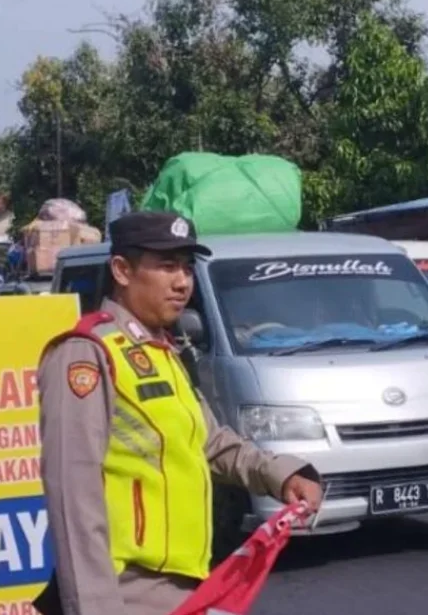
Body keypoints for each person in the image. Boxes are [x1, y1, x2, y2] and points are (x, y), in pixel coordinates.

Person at [36, 211, 324, 615]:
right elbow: (73, 495)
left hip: (187, 584)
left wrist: (281, 474)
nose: (182, 282)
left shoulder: (162, 352)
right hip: (125, 591)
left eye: (187, 268)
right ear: (121, 270)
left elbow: (210, 443)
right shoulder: (86, 353)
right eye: (167, 266)